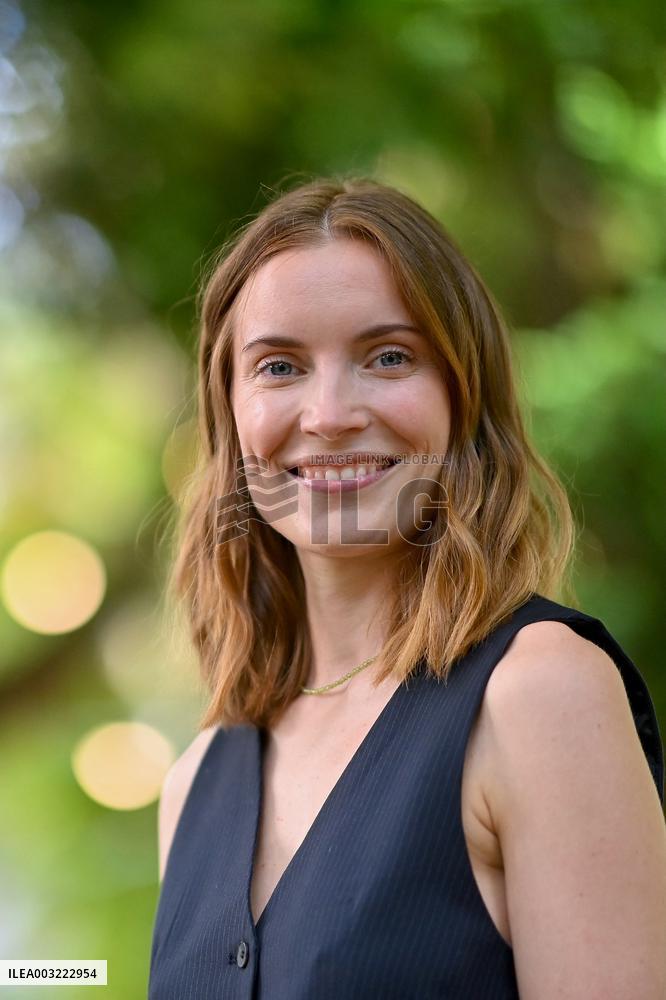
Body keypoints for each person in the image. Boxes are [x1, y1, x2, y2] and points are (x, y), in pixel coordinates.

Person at [148, 176, 666, 999]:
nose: (328, 413)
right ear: (230, 416)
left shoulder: (541, 695)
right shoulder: (194, 784)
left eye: (389, 356)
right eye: (279, 366)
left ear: (464, 397)